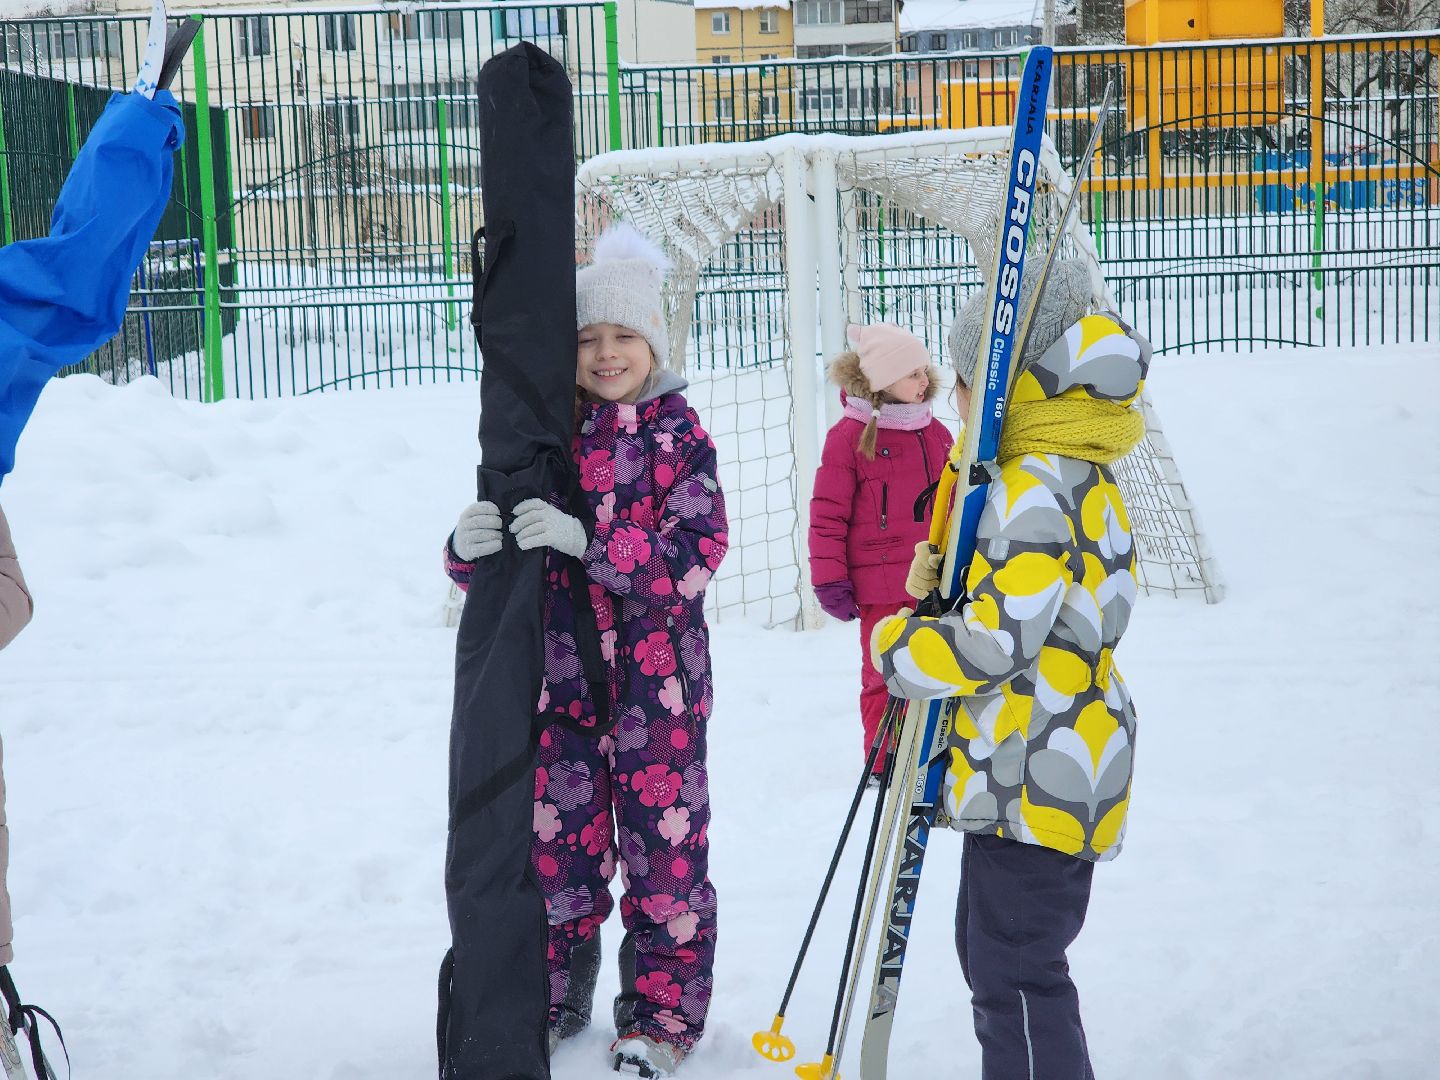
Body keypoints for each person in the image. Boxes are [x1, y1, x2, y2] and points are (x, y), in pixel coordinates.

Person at [444, 224, 727, 1078]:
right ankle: (556, 989)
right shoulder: (546, 437)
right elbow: (502, 568)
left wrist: (591, 538)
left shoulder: (680, 437)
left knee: (664, 859)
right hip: (558, 688)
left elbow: (696, 553)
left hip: (659, 698)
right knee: (555, 853)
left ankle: (662, 1017)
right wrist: (468, 547)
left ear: (654, 343)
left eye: (624, 337)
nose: (606, 355)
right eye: (588, 338)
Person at [873, 261, 1150, 1079]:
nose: (955, 408)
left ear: (1002, 388)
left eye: (961, 385)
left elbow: (999, 643)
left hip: (1041, 766)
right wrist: (943, 586)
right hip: (1038, 763)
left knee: (1015, 972)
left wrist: (901, 649)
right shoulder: (1071, 463)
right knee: (993, 955)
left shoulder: (1032, 481)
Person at [807, 323, 952, 781]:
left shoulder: (936, 431)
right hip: (881, 583)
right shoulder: (848, 437)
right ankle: (884, 757)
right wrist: (829, 578)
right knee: (883, 672)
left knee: (936, 663)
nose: (924, 380)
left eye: (924, 369)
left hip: (936, 576)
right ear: (882, 382)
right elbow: (827, 513)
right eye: (911, 373)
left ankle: (933, 747)